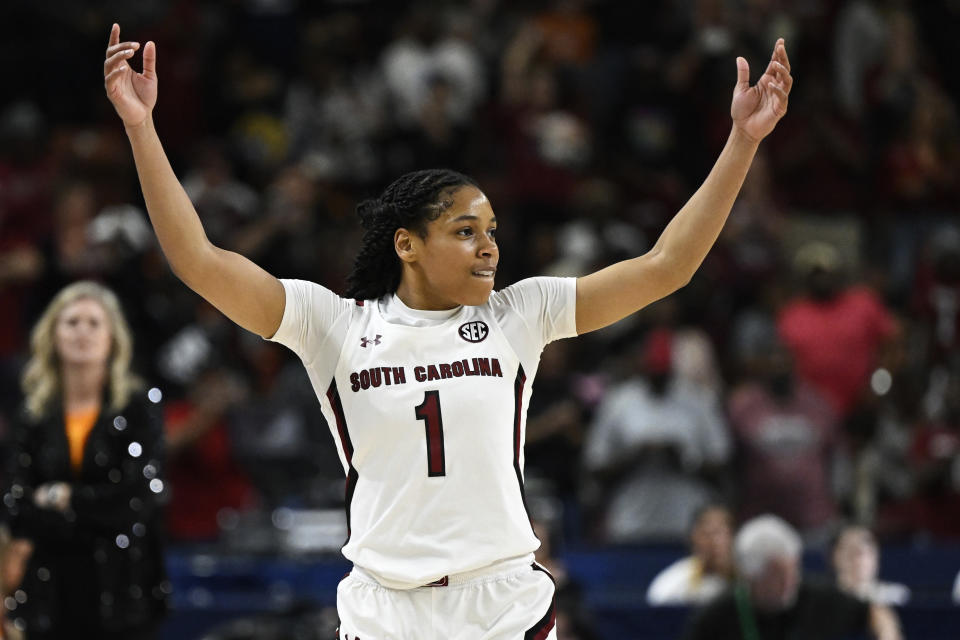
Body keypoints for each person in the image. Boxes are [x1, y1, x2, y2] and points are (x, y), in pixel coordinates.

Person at [104, 21, 793, 638]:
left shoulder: (520, 315)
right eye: (466, 232)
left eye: (491, 231)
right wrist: (142, 128)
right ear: (407, 244)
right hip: (384, 610)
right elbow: (198, 260)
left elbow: (666, 266)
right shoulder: (335, 327)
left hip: (501, 606)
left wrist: (742, 141)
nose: (489, 247)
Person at [2, 281, 168, 639]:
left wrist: (65, 498)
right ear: (52, 335)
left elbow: (140, 497)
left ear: (113, 338)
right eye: (72, 322)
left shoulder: (139, 407)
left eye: (94, 323)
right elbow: (15, 505)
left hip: (124, 591)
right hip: (49, 592)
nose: (83, 332)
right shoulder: (31, 414)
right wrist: (96, 508)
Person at [682, 515, 902, 640]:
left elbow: (873, 611)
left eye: (794, 571)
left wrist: (888, 634)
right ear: (751, 577)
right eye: (778, 576)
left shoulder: (815, 597)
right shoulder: (719, 615)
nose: (791, 582)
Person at [647, 504, 735, 606]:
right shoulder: (673, 583)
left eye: (728, 533)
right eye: (711, 533)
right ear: (694, 537)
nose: (721, 542)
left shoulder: (749, 582)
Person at [830, 524, 910, 606]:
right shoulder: (823, 599)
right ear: (834, 556)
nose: (859, 559)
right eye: (849, 550)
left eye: (867, 551)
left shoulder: (896, 596)